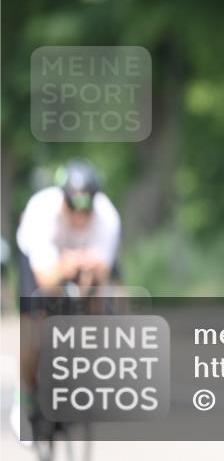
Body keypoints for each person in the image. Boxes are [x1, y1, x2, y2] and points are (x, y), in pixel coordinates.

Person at [11, 160, 122, 442]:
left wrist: (88, 275)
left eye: (87, 209)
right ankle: (27, 395)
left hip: (81, 258)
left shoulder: (107, 218)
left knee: (99, 305)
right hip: (40, 261)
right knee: (35, 323)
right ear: (63, 200)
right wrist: (64, 267)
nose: (81, 216)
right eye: (74, 207)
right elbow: (46, 279)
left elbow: (102, 272)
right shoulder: (42, 213)